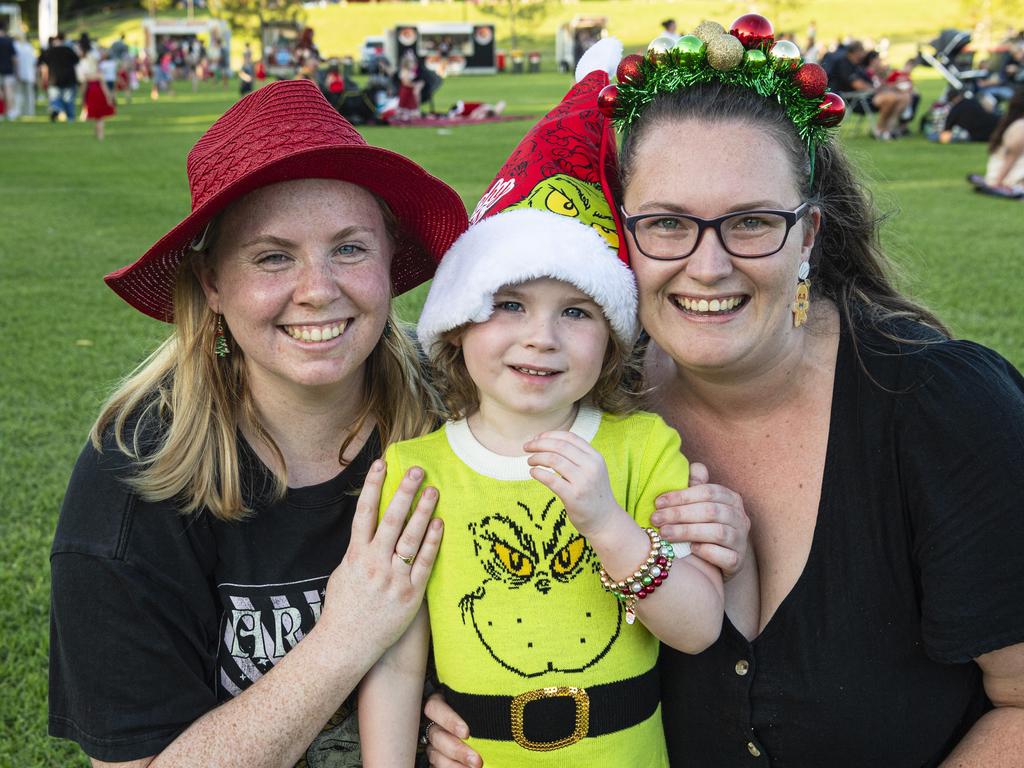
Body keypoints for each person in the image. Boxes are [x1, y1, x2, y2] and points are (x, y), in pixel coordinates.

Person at [423, 17, 1024, 768]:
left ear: (807, 236)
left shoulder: (942, 408)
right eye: (668, 224)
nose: (708, 266)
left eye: (750, 222)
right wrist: (459, 715)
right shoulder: (580, 404)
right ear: (623, 238)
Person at [48, 78, 469, 766]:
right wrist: (344, 637)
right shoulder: (133, 479)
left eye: (350, 248)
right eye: (273, 256)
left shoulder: (465, 404)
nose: (318, 289)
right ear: (212, 283)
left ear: (392, 260)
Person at [359, 55, 726, 767]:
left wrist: (607, 524)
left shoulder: (644, 447)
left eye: (577, 311)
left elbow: (698, 626)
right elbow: (397, 662)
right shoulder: (415, 470)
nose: (541, 337)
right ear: (459, 323)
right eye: (509, 304)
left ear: (614, 338)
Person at [828, 40, 911, 140]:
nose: (863, 54)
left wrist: (889, 86)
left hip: (868, 96)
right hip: (857, 99)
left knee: (903, 97)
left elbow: (871, 81)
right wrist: (876, 90)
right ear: (855, 52)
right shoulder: (845, 65)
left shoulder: (858, 64)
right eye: (861, 51)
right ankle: (879, 130)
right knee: (890, 98)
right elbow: (858, 85)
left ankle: (888, 129)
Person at [984, 86, 1024, 191]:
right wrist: (997, 183)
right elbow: (1010, 158)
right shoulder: (1020, 127)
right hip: (1011, 180)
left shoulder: (1014, 124)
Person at [38, 31, 79, 122]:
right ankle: (70, 118)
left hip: (53, 79)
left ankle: (56, 108)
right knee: (68, 100)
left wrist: (44, 79)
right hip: (69, 78)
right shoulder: (69, 50)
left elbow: (44, 66)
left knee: (55, 98)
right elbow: (77, 62)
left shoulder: (48, 51)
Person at [78, 41, 115, 140]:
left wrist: (83, 98)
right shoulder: (99, 74)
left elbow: (84, 87)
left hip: (91, 94)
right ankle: (100, 135)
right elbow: (104, 87)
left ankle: (97, 133)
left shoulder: (87, 75)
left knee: (95, 116)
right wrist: (109, 97)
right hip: (99, 95)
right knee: (100, 117)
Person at [12, 29, 36, 119]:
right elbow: (34, 61)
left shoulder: (15, 46)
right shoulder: (29, 47)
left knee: (18, 93)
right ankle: (30, 111)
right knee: (29, 94)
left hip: (18, 73)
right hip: (29, 74)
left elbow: (15, 61)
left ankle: (18, 111)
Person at [0, 19, 16, 121]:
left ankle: (1, 113)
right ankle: (9, 112)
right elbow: (14, 58)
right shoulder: (9, 41)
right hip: (8, 69)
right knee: (8, 92)